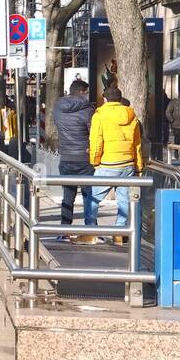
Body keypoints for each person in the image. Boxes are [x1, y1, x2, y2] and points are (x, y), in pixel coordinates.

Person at [89, 85, 144, 245]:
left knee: (93, 198)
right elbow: (137, 144)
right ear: (120, 99)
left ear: (104, 99)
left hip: (107, 163)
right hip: (127, 164)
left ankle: (91, 231)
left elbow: (96, 141)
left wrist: (95, 161)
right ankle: (119, 233)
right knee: (124, 201)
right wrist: (138, 165)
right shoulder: (131, 115)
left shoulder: (99, 115)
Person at [52, 78, 98, 242]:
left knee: (68, 195)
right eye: (86, 92)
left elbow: (56, 125)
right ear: (81, 92)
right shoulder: (88, 110)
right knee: (89, 194)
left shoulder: (58, 108)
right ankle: (91, 230)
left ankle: (65, 230)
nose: (87, 95)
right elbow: (93, 132)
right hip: (85, 157)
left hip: (66, 157)